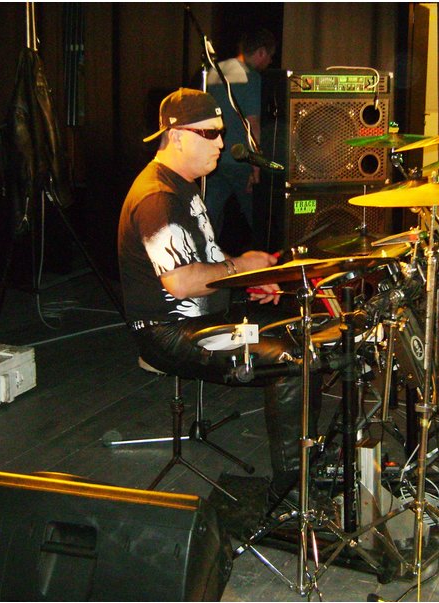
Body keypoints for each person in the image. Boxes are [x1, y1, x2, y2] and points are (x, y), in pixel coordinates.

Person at [118, 88, 318, 505]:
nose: (222, 144)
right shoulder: (158, 197)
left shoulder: (184, 186)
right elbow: (181, 282)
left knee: (302, 330)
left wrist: (249, 277)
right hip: (169, 333)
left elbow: (206, 258)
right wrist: (240, 267)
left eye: (221, 133)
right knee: (294, 360)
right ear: (176, 136)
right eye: (210, 133)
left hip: (203, 319)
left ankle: (308, 462)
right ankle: (292, 492)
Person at [204, 29, 276, 244]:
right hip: (241, 162)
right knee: (258, 219)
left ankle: (207, 258)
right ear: (261, 52)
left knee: (208, 220)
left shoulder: (213, 72)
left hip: (213, 160)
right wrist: (257, 167)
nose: (270, 62)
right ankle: (265, 258)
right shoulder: (250, 78)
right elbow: (252, 125)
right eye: (270, 56)